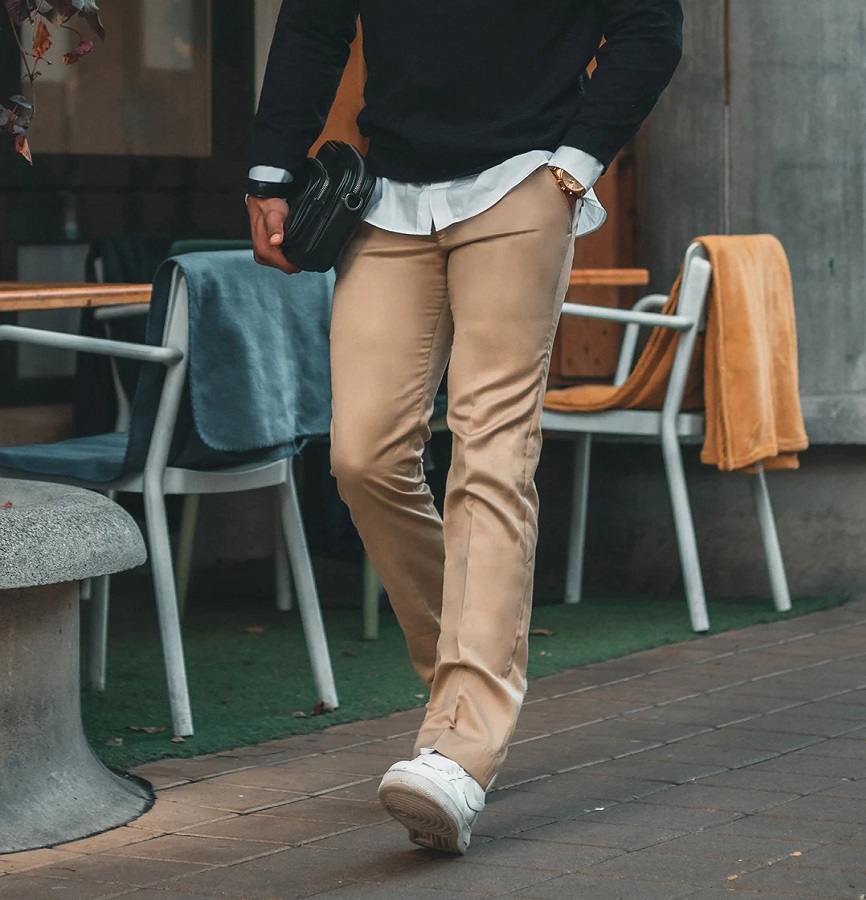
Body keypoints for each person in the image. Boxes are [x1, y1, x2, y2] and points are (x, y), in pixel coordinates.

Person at [247, 0, 683, 856]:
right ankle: (459, 681)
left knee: (490, 454)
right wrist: (270, 167)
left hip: (526, 181)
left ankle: (461, 747)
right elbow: (312, 22)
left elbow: (650, 27)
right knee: (361, 455)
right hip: (390, 196)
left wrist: (578, 161)